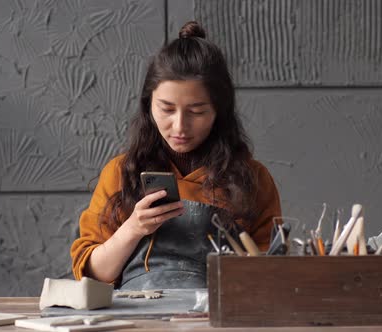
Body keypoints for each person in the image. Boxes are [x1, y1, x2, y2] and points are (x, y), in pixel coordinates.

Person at [71, 21, 281, 290]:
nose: (180, 126)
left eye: (196, 111)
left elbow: (270, 276)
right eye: (167, 109)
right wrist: (133, 228)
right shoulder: (121, 172)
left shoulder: (253, 179)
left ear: (219, 111)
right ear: (148, 106)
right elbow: (92, 276)